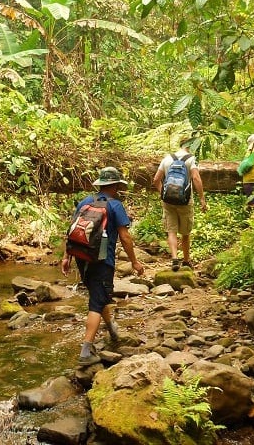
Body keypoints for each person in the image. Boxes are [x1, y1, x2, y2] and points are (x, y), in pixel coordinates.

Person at [61, 167, 144, 366]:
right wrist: (134, 261)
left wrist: (66, 257)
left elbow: (71, 231)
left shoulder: (85, 202)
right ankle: (86, 351)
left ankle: (112, 328)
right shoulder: (115, 205)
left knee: (98, 295)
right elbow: (125, 237)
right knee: (97, 303)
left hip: (82, 256)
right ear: (115, 186)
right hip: (102, 260)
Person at [152, 137, 207, 271]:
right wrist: (202, 198)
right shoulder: (191, 159)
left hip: (168, 201)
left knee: (171, 231)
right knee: (185, 232)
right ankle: (186, 261)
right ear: (190, 145)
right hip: (185, 201)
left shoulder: (167, 158)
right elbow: (196, 178)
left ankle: (175, 258)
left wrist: (163, 194)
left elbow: (156, 180)